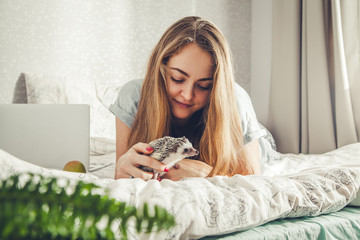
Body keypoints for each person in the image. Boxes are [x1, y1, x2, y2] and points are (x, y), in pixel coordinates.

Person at [109, 16, 269, 181]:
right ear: (160, 70)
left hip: (257, 140)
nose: (187, 95)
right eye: (177, 78)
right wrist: (122, 169)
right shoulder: (133, 96)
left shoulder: (234, 99)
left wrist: (205, 173)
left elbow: (253, 179)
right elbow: (122, 175)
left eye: (204, 86)